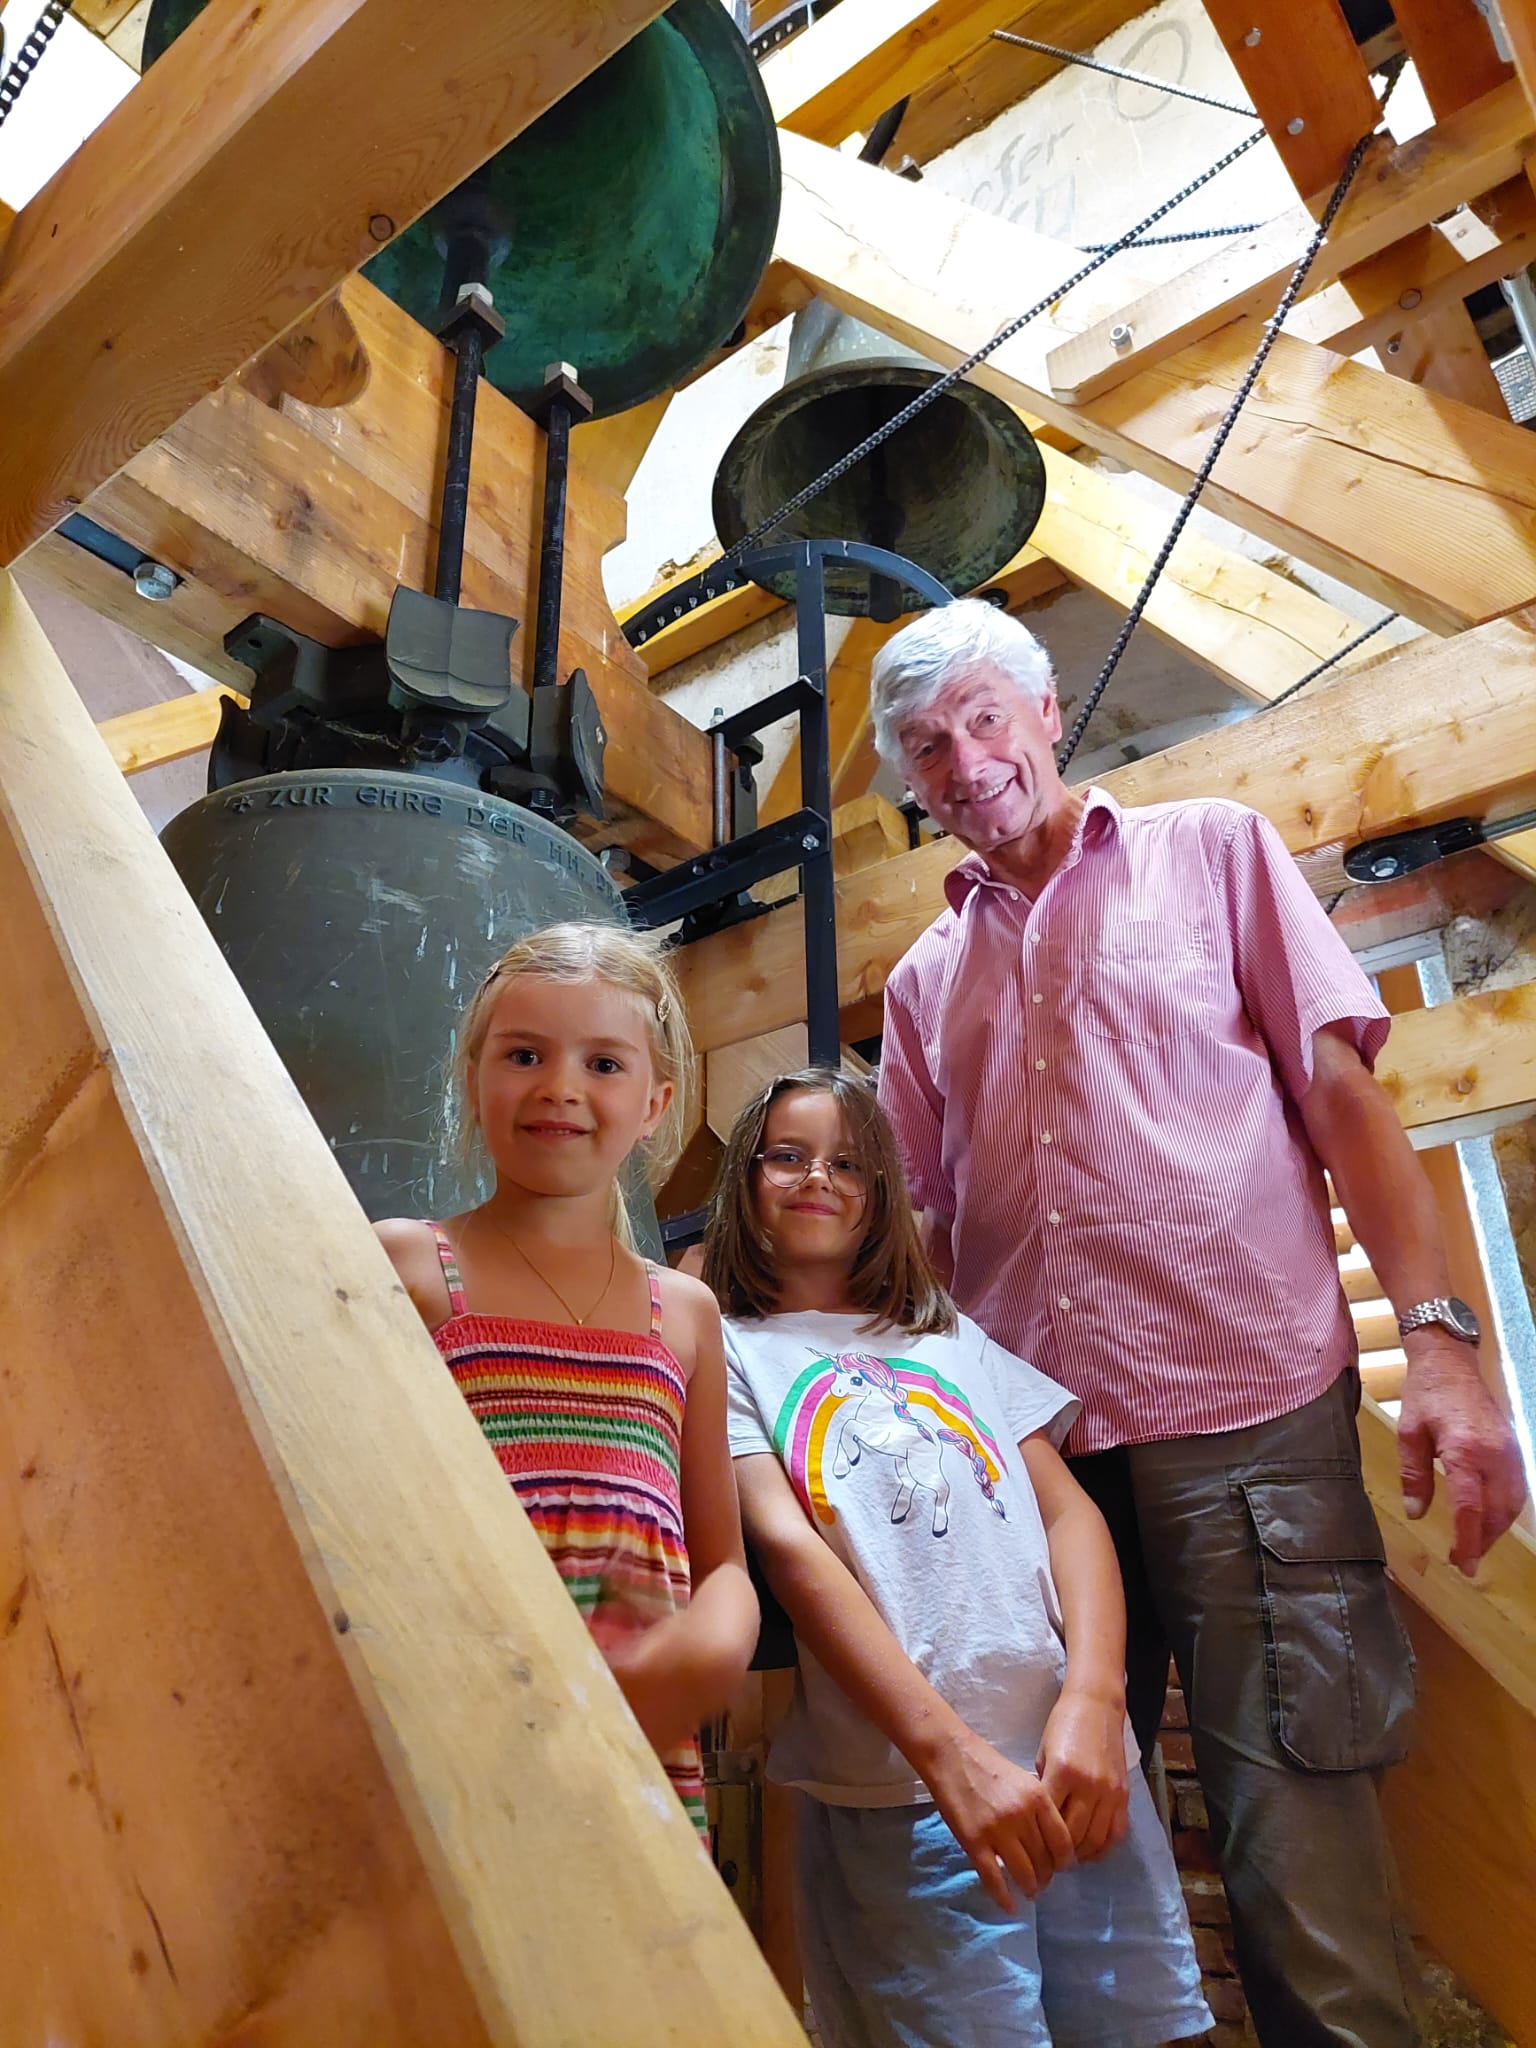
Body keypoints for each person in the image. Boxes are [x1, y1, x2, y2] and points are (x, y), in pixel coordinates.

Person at [869, 598, 1528, 2047]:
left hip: (1252, 1431)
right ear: (911, 782)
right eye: (927, 746)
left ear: (1049, 712)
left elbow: (1345, 1102)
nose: (966, 761)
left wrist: (1440, 1350)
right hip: (1039, 1472)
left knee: (1305, 1886)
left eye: (984, 718)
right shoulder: (921, 984)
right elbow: (920, 1240)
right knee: (1062, 1887)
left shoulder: (1214, 851)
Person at [705, 1065, 1212, 2048]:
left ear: (882, 1189)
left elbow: (1071, 1519)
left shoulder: (950, 1335)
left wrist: (1096, 1699)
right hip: (907, 1790)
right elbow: (793, 1552)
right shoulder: (726, 1347)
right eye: (788, 1154)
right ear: (745, 1178)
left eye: (849, 1161)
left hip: (1074, 1768)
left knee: (1154, 2029)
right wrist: (951, 1758)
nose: (818, 1177)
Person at [376, 922, 758, 1839]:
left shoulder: (686, 1314)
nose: (560, 1087)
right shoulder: (406, 1267)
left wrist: (712, 1644)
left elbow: (725, 1565)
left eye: (604, 1064)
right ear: (475, 1079)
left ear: (655, 1103)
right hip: (451, 1745)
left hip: (633, 1769)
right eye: (524, 1055)